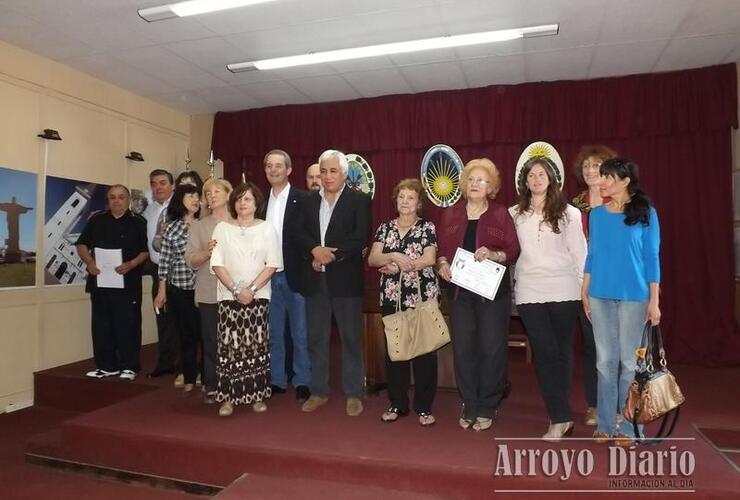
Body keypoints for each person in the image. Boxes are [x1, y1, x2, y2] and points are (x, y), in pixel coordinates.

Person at [582, 158, 661, 447]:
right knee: (604, 362)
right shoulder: (597, 215)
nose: (601, 181)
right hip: (599, 294)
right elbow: (592, 254)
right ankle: (605, 424)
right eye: (601, 176)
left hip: (634, 296)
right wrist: (585, 289)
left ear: (625, 181)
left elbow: (652, 258)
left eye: (607, 176)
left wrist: (654, 300)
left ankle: (628, 427)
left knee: (629, 364)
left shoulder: (646, 214)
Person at [436, 158, 519, 432]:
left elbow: (513, 250)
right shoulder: (450, 214)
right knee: (464, 349)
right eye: (471, 179)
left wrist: (495, 254)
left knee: (492, 348)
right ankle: (469, 402)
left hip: (492, 293)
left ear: (491, 186)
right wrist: (443, 264)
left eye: (481, 180)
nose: (475, 184)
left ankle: (488, 404)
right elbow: (442, 252)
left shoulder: (500, 214)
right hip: (460, 293)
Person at [509, 157, 587, 440]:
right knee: (544, 351)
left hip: (565, 289)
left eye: (541, 174)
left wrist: (584, 291)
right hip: (530, 290)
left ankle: (560, 411)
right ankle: (560, 416)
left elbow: (580, 254)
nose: (536, 179)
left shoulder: (569, 213)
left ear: (552, 178)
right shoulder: (513, 213)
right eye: (531, 175)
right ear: (524, 181)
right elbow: (506, 250)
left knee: (562, 351)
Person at [294, 150, 372, 417]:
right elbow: (298, 234)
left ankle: (353, 393)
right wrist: (313, 251)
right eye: (323, 171)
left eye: (332, 171)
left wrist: (328, 255)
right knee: (316, 338)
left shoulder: (359, 200)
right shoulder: (305, 201)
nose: (327, 177)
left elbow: (360, 237)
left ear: (344, 173)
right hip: (315, 279)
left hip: (345, 280)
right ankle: (319, 391)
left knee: (351, 339)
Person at [368, 178, 439, 427]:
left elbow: (430, 258)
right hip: (391, 297)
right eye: (401, 197)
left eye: (410, 198)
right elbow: (373, 258)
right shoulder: (385, 227)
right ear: (395, 201)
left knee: (424, 353)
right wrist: (391, 256)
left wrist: (400, 264)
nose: (405, 202)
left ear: (419, 203)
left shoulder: (427, 227)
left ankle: (424, 407)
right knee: (395, 353)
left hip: (420, 297)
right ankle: (397, 403)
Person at [210, 182, 281, 417]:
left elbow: (272, 264)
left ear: (256, 203)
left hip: (258, 296)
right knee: (229, 348)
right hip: (228, 297)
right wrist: (234, 290)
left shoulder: (267, 228)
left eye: (248, 199)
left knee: (255, 347)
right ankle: (228, 397)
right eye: (239, 199)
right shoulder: (222, 228)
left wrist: (250, 289)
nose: (242, 203)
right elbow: (217, 263)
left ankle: (257, 395)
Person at [76, 185, 148, 380]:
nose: (117, 201)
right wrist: (89, 262)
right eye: (112, 197)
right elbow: (81, 244)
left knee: (128, 325)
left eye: (121, 197)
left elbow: (145, 251)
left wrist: (131, 264)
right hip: (100, 282)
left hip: (128, 283)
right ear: (108, 200)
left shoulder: (138, 222)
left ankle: (129, 366)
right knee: (101, 325)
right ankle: (106, 366)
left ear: (128, 200)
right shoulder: (96, 220)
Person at [571, 145, 617, 426]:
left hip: (616, 280)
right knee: (592, 345)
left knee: (615, 346)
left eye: (596, 165)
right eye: (586, 166)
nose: (590, 170)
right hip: (584, 281)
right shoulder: (575, 204)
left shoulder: (621, 200)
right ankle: (594, 404)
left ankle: (619, 403)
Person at [262, 150, 312, 402]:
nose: (273, 170)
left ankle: (302, 380)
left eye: (278, 166)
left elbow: (309, 238)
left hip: (295, 276)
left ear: (289, 169)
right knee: (274, 332)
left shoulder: (303, 199)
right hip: (267, 277)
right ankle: (277, 379)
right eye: (269, 166)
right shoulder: (259, 201)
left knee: (300, 333)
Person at [185, 178, 233, 404]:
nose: (212, 195)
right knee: (211, 341)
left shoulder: (241, 222)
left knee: (235, 341)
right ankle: (212, 384)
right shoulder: (200, 226)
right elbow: (191, 260)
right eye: (208, 192)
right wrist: (206, 252)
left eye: (217, 191)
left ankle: (235, 383)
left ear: (228, 194)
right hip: (208, 291)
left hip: (237, 292)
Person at [154, 184, 201, 393]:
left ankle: (205, 374)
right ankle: (188, 374)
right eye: (190, 195)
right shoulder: (171, 227)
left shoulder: (204, 225)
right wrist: (162, 290)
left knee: (205, 334)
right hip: (180, 288)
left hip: (204, 288)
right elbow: (165, 261)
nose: (195, 199)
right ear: (180, 200)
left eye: (197, 195)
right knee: (186, 334)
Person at [142, 169, 178, 378]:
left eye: (163, 183)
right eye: (154, 183)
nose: (158, 187)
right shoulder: (150, 210)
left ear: (172, 186)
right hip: (157, 270)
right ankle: (165, 363)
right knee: (162, 317)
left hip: (179, 270)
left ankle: (185, 366)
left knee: (182, 319)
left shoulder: (180, 207)